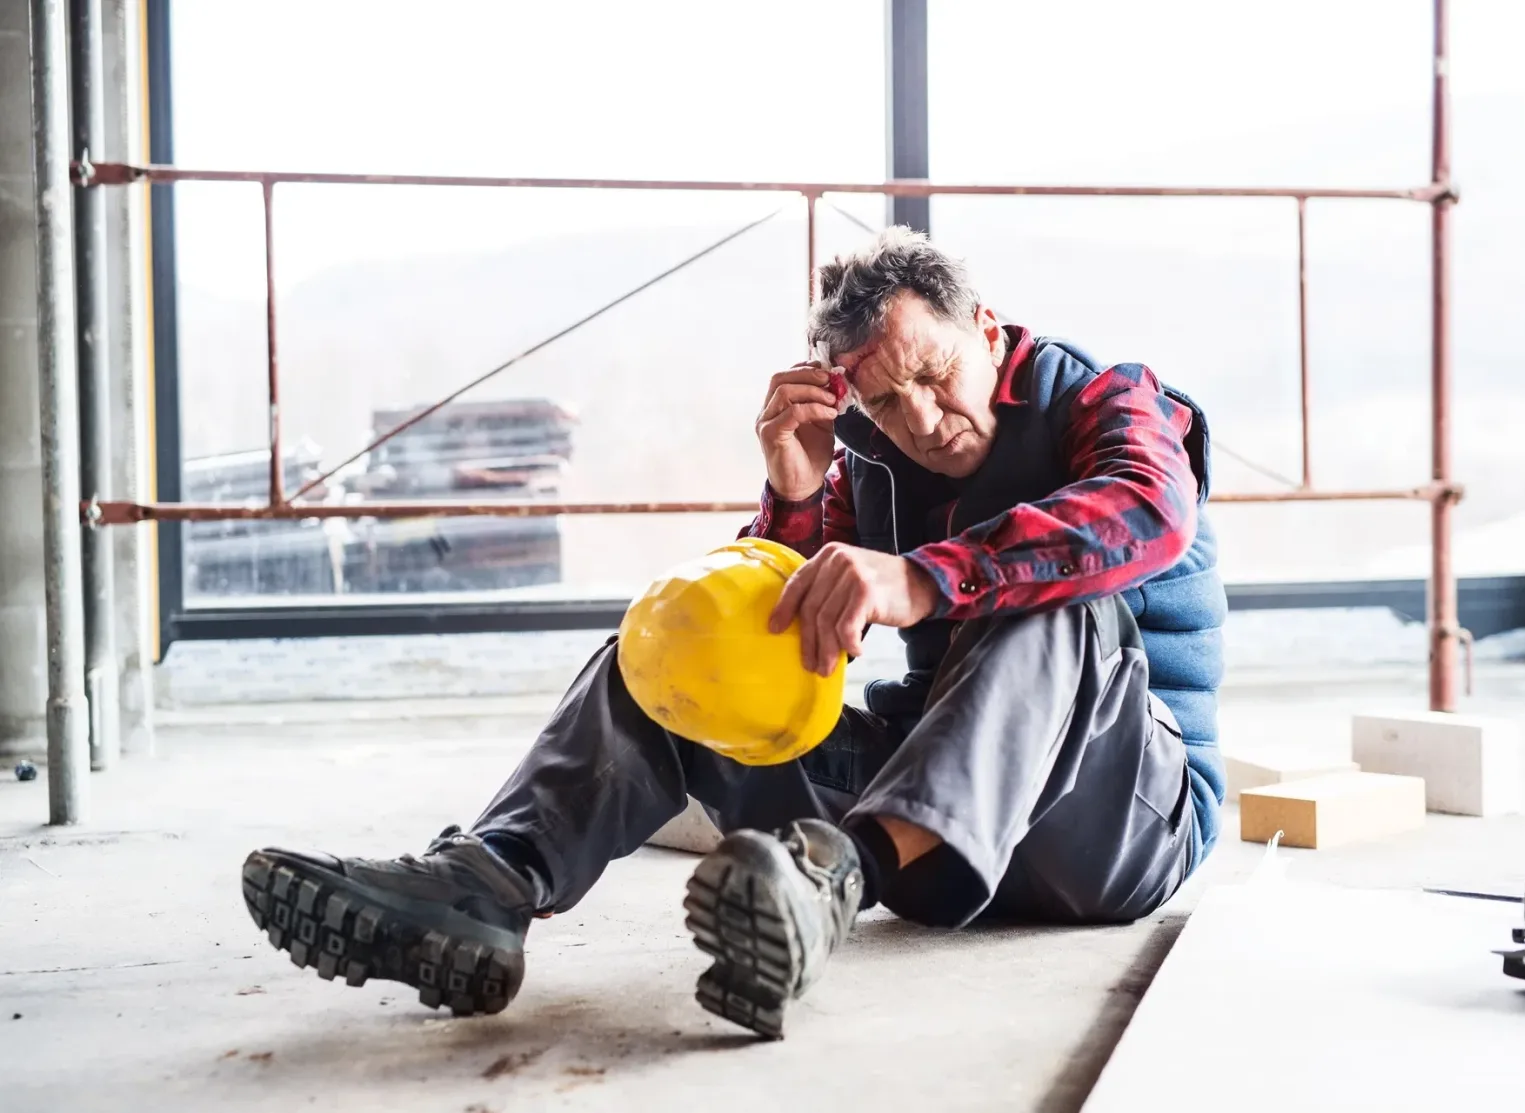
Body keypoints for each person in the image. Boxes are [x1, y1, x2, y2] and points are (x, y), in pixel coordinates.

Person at [240, 227, 1227, 1039]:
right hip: (929, 842)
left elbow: (1146, 509)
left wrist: (927, 577)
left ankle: (831, 880)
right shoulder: (873, 462)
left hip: (1113, 830)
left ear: (983, 325)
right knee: (672, 652)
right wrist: (794, 500)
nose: (922, 418)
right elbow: (773, 643)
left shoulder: (1109, 401)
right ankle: (491, 885)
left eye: (934, 372)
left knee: (1049, 599)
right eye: (882, 402)